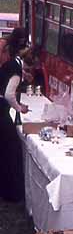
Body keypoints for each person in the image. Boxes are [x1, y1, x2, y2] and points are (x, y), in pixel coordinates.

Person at [0, 27, 29, 201]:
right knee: (12, 150)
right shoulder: (15, 68)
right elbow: (10, 94)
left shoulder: (8, 64)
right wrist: (20, 108)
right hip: (2, 112)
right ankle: (12, 193)